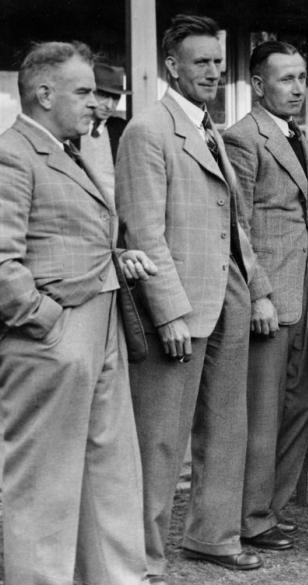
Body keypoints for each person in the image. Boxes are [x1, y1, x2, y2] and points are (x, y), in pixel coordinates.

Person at [0, 41, 155, 585]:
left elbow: (58, 233)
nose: (96, 103)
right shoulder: (12, 153)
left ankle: (114, 577)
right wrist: (45, 321)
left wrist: (113, 256)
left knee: (107, 470)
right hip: (54, 336)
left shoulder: (67, 151)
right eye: (84, 91)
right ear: (44, 94)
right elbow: (1, 260)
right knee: (44, 481)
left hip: (101, 322)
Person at [117, 14, 263, 579]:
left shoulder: (208, 128)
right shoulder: (148, 130)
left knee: (227, 428)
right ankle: (142, 555)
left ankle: (213, 538)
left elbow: (234, 222)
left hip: (227, 296)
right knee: (159, 439)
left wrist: (256, 291)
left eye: (219, 63)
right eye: (201, 62)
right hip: (178, 306)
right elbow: (144, 233)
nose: (213, 72)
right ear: (171, 67)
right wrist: (170, 311)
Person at [223, 41, 308, 551]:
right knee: (264, 411)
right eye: (286, 79)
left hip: (305, 295)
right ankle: (250, 519)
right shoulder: (243, 138)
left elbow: (301, 202)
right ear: (256, 84)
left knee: (300, 404)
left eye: (301, 78)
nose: (297, 88)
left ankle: (271, 507)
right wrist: (259, 295)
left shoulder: (292, 135)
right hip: (270, 300)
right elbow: (237, 227)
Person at [76, 62, 129, 197]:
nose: (110, 105)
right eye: (104, 96)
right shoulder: (70, 129)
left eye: (116, 98)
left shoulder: (125, 130)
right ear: (90, 93)